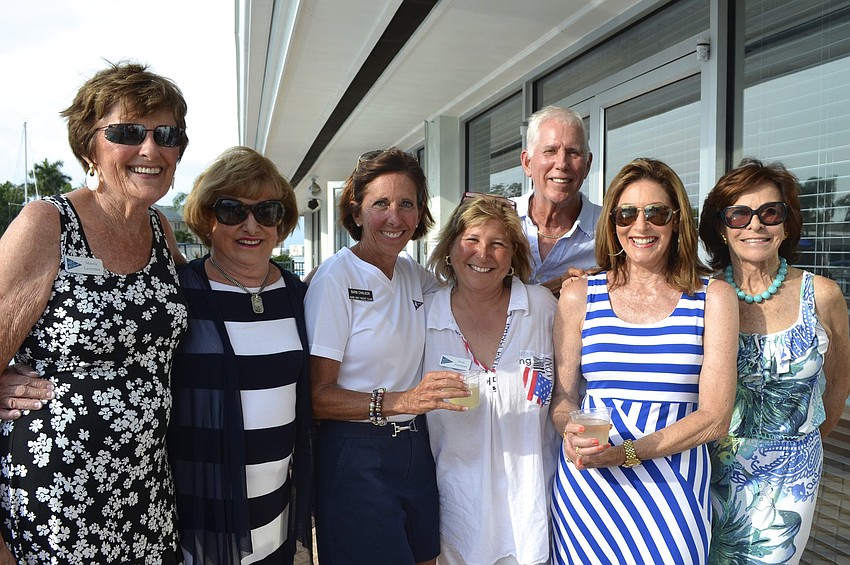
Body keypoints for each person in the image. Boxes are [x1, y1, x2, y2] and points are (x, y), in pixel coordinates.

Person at [0, 62, 189, 564]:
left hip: (146, 495)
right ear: (89, 147)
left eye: (166, 134)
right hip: (55, 498)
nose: (150, 148)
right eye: (127, 132)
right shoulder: (46, 223)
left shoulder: (161, 230)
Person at [550, 158, 739, 564]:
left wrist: (626, 453)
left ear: (676, 221)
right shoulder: (579, 295)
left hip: (672, 493)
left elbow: (715, 417)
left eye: (656, 212)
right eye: (627, 213)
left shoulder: (713, 298)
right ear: (612, 222)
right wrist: (572, 431)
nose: (641, 226)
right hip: (588, 495)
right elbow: (562, 400)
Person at [305, 148, 467, 564]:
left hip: (414, 448)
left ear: (419, 215)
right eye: (381, 204)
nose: (395, 217)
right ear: (357, 213)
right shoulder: (335, 279)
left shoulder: (415, 274)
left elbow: (472, 295)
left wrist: (554, 285)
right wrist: (402, 401)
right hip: (355, 454)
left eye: (406, 204)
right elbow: (317, 396)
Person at [698, 159, 850, 564]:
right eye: (739, 214)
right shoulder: (701, 295)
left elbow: (837, 386)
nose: (755, 225)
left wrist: (799, 443)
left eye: (770, 212)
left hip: (788, 477)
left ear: (786, 224)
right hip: (704, 469)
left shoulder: (823, 296)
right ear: (721, 227)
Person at [171, 146, 312, 564]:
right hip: (200, 520)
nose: (251, 225)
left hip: (277, 513)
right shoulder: (179, 294)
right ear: (207, 218)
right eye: (233, 210)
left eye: (267, 212)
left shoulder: (300, 296)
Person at [424, 192, 559, 565]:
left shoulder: (541, 309)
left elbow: (568, 393)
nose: (482, 254)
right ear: (450, 248)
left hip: (533, 519)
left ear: (513, 255)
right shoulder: (424, 317)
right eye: (471, 240)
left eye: (497, 243)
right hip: (454, 525)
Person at [516, 106, 602, 290]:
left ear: (587, 165)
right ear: (527, 162)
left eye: (574, 152)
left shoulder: (612, 230)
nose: (562, 163)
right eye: (550, 151)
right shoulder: (498, 219)